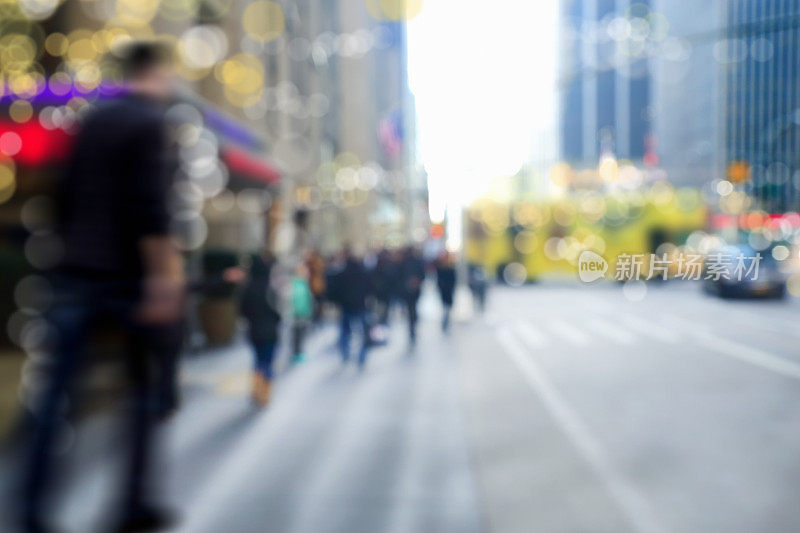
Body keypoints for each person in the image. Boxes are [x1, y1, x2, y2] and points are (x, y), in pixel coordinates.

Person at [21, 41, 183, 532]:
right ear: (153, 73)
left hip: (74, 272)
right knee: (142, 395)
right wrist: (161, 279)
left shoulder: (89, 121)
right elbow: (150, 207)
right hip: (124, 280)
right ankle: (132, 504)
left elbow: (60, 193)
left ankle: (30, 509)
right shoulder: (149, 123)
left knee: (55, 397)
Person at [240, 255, 281, 407]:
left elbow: (242, 311)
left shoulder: (247, 288)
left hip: (254, 331)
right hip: (271, 331)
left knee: (258, 361)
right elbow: (278, 312)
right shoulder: (271, 288)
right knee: (268, 363)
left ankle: (256, 391)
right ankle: (265, 394)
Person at [329, 249, 372, 368]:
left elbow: (334, 290)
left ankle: (345, 354)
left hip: (346, 306)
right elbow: (370, 288)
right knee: (362, 332)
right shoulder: (363, 273)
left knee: (345, 331)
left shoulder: (342, 274)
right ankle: (361, 356)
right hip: (360, 305)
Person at [400, 246, 426, 344]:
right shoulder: (408, 262)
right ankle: (412, 325)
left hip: (413, 290)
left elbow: (422, 274)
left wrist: (416, 282)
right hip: (408, 290)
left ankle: (412, 324)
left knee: (412, 308)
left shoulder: (413, 262)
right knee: (412, 308)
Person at [290, 263, 313, 364]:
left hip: (302, 313)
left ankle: (298, 353)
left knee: (300, 335)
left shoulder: (302, 283)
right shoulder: (298, 284)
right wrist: (302, 312)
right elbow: (299, 300)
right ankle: (297, 354)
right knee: (298, 335)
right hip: (299, 314)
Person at [436, 253, 457, 332]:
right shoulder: (440, 269)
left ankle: (446, 321)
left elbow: (454, 280)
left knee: (448, 307)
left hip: (449, 290)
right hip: (444, 291)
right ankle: (444, 321)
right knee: (445, 306)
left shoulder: (451, 268)